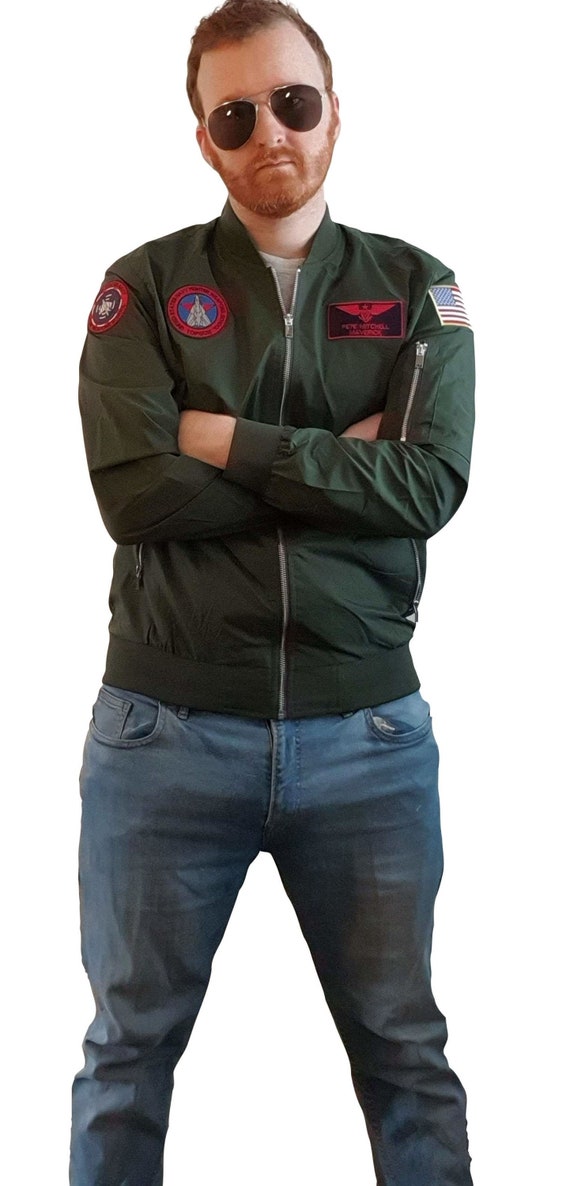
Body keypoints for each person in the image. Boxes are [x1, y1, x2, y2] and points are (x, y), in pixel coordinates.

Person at [71, 1, 475, 1182]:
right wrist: (335, 467)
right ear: (204, 139)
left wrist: (225, 440)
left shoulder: (419, 289)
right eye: (235, 115)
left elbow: (428, 484)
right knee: (126, 1055)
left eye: (292, 103)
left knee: (405, 1052)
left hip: (369, 738)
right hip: (163, 734)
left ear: (334, 111)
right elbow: (135, 498)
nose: (271, 134)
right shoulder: (143, 288)